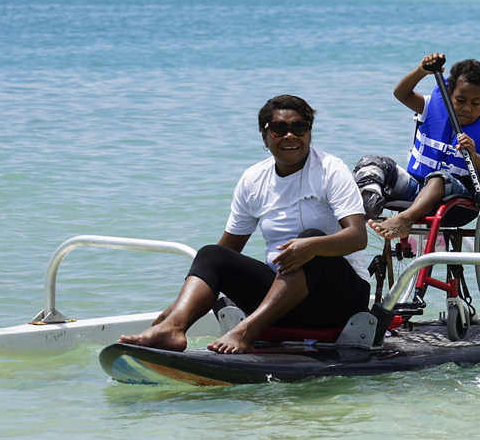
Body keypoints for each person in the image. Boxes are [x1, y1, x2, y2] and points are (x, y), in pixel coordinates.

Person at [119, 95, 370, 354]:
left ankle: (245, 332)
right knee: (211, 253)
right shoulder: (253, 179)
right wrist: (175, 309)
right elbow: (226, 253)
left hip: (339, 301)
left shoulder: (331, 169)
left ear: (309, 133)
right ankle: (172, 329)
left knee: (311, 239)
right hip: (282, 302)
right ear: (265, 137)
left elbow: (357, 237)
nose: (290, 136)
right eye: (279, 129)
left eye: (299, 127)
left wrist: (312, 246)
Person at [354, 54, 480, 238]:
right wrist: (421, 71)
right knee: (372, 163)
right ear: (449, 95)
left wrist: (474, 154)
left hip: (457, 201)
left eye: (475, 103)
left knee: (439, 178)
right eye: (460, 100)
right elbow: (400, 93)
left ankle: (405, 219)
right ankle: (368, 206)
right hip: (415, 188)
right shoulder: (431, 106)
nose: (467, 108)